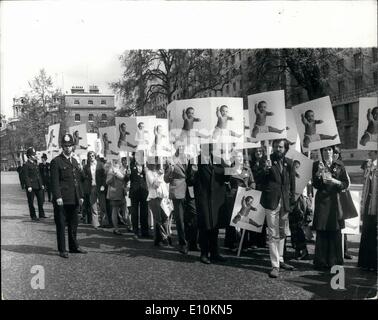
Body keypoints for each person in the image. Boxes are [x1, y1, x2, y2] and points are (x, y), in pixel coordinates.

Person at [259, 139, 296, 278]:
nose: (277, 149)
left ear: (285, 148)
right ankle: (275, 265)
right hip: (271, 201)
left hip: (284, 203)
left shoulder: (289, 163)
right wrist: (265, 170)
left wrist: (291, 203)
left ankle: (280, 259)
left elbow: (292, 184)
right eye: (275, 146)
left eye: (280, 147)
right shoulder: (267, 161)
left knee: (282, 232)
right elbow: (259, 180)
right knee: (273, 233)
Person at [311, 145, 349, 270]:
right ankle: (321, 261)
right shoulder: (317, 164)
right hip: (322, 201)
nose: (327, 152)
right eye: (325, 150)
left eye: (329, 150)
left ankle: (334, 260)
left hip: (335, 201)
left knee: (334, 230)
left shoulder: (339, 165)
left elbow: (345, 183)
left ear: (333, 152)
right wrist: (318, 172)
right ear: (321, 152)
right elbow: (315, 185)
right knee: (322, 230)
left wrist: (335, 181)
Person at [50, 134, 87, 258]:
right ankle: (62, 249)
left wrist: (80, 195)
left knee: (73, 224)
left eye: (70, 145)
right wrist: (57, 197)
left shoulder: (75, 160)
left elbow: (80, 180)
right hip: (62, 199)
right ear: (62, 146)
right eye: (65, 146)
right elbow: (54, 182)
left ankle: (73, 246)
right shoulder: (56, 161)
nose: (68, 148)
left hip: (74, 198)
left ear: (72, 146)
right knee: (61, 224)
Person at [193, 144, 230, 264]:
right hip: (203, 198)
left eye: (210, 146)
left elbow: (227, 177)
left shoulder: (219, 160)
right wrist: (193, 173)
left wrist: (229, 167)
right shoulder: (195, 161)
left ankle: (215, 253)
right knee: (204, 227)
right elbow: (189, 180)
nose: (208, 148)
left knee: (214, 227)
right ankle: (204, 253)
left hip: (216, 199)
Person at [164, 146, 195, 254]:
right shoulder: (171, 161)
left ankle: (192, 241)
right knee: (180, 219)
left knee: (192, 216)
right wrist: (170, 171)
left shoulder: (189, 158)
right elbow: (166, 179)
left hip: (190, 192)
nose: (182, 148)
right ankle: (183, 244)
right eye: (179, 146)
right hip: (177, 192)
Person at [224, 150, 256, 252]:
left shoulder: (247, 169)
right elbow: (224, 183)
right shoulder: (229, 170)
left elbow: (252, 182)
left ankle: (244, 244)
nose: (240, 158)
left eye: (241, 156)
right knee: (232, 219)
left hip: (245, 197)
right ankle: (231, 243)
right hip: (232, 198)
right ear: (234, 158)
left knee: (244, 219)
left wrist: (251, 188)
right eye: (238, 156)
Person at [358, 150, 377, 271]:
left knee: (375, 234)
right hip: (368, 203)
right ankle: (366, 262)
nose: (368, 153)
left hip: (375, 204)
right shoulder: (368, 165)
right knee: (367, 233)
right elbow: (365, 185)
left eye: (371, 151)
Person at [146, 157, 171, 246]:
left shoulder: (160, 172)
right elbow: (155, 185)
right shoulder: (149, 173)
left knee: (164, 217)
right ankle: (165, 237)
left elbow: (165, 186)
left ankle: (157, 239)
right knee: (159, 219)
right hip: (154, 198)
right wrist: (160, 176)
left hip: (162, 198)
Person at [125, 151, 150, 238]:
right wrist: (127, 175)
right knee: (134, 213)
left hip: (144, 191)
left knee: (144, 212)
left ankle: (145, 231)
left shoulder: (146, 165)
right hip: (134, 192)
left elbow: (149, 179)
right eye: (136, 155)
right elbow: (126, 179)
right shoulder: (130, 165)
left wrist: (147, 173)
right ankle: (135, 231)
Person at [83, 151, 108, 229]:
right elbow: (84, 177)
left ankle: (104, 222)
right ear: (88, 157)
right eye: (90, 156)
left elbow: (105, 176)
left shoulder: (100, 165)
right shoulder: (86, 166)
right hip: (92, 187)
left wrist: (103, 185)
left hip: (100, 187)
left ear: (95, 156)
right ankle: (96, 223)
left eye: (93, 156)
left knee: (102, 205)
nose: (91, 157)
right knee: (93, 205)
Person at [249, 147, 268, 248]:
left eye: (260, 151)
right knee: (253, 216)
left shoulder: (265, 163)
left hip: (263, 191)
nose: (258, 153)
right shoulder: (250, 163)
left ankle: (262, 241)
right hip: (253, 191)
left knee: (262, 217)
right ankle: (253, 241)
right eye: (256, 151)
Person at [23, 147, 46, 221]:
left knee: (41, 200)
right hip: (31, 186)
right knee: (31, 202)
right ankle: (33, 216)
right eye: (33, 155)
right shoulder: (26, 165)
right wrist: (28, 185)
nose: (35, 156)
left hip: (38, 185)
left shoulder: (35, 163)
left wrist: (41, 184)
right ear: (29, 156)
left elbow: (39, 175)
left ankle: (41, 214)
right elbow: (26, 176)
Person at [106, 158, 127, 235]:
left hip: (121, 192)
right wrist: (113, 177)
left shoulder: (121, 169)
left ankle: (128, 224)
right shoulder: (111, 170)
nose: (117, 162)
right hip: (114, 192)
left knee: (125, 210)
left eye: (117, 161)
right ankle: (116, 228)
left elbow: (125, 179)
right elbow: (107, 182)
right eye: (115, 161)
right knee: (115, 210)